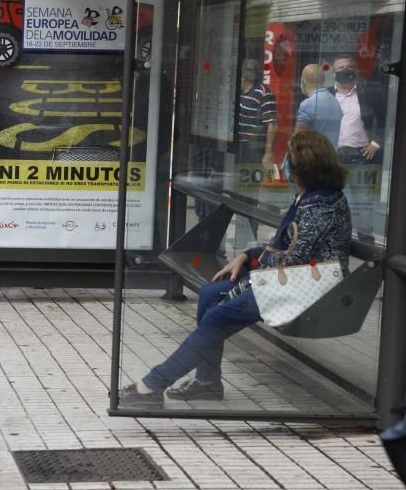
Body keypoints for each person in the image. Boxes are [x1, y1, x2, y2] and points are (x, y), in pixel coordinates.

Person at [119, 131, 352, 409]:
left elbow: (293, 262)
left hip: (310, 288)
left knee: (217, 317)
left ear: (304, 167)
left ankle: (153, 385)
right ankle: (207, 382)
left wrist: (261, 258)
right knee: (210, 293)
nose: (283, 163)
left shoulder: (321, 205)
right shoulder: (306, 196)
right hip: (287, 280)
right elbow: (283, 249)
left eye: (288, 159)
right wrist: (247, 255)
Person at [329, 54, 384, 242]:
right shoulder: (327, 94)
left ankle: (366, 243)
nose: (345, 70)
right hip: (333, 157)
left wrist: (375, 143)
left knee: (363, 202)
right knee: (335, 201)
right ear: (334, 72)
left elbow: (385, 119)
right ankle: (338, 241)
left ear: (356, 71)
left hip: (361, 156)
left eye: (349, 66)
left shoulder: (367, 94)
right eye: (340, 67)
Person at [235, 58, 278, 242]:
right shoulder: (237, 93)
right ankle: (240, 234)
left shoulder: (264, 93)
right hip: (236, 148)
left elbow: (272, 124)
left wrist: (268, 153)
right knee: (236, 192)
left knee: (248, 193)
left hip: (253, 149)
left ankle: (248, 236)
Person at [294, 63, 342, 149]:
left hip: (314, 158)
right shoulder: (335, 101)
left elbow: (298, 139)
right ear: (323, 81)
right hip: (331, 157)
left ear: (303, 81)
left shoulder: (307, 104)